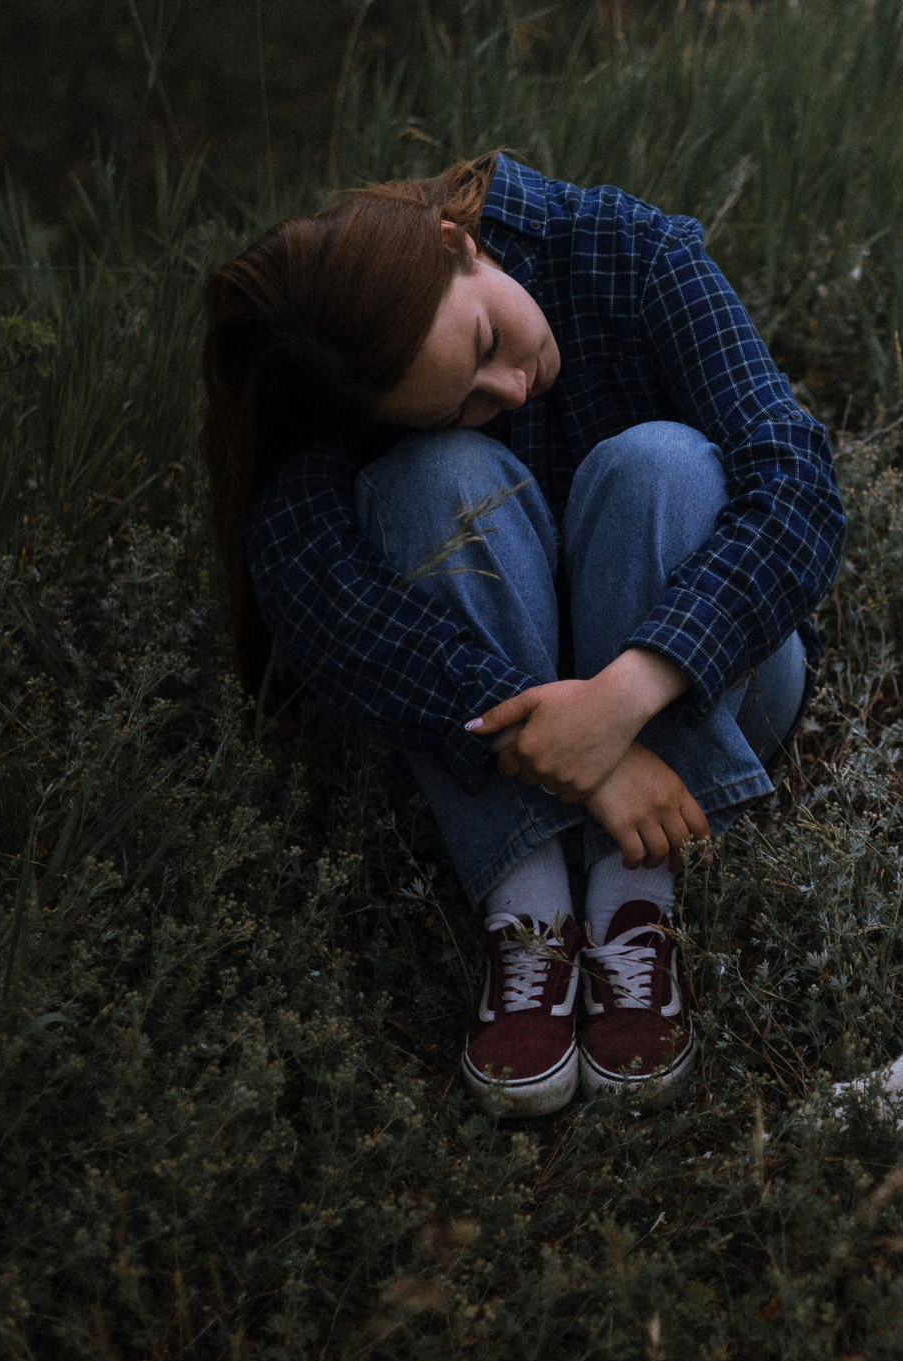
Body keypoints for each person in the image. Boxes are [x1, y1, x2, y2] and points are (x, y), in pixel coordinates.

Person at [201, 152, 843, 1117]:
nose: (511, 386)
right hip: (510, 722)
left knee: (660, 462)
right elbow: (309, 588)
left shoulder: (630, 249)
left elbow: (797, 483)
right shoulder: (342, 354)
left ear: (458, 244)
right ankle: (531, 915)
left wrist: (624, 697)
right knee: (432, 477)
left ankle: (638, 908)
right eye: (462, 396)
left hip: (716, 684)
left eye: (490, 340)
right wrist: (561, 746)